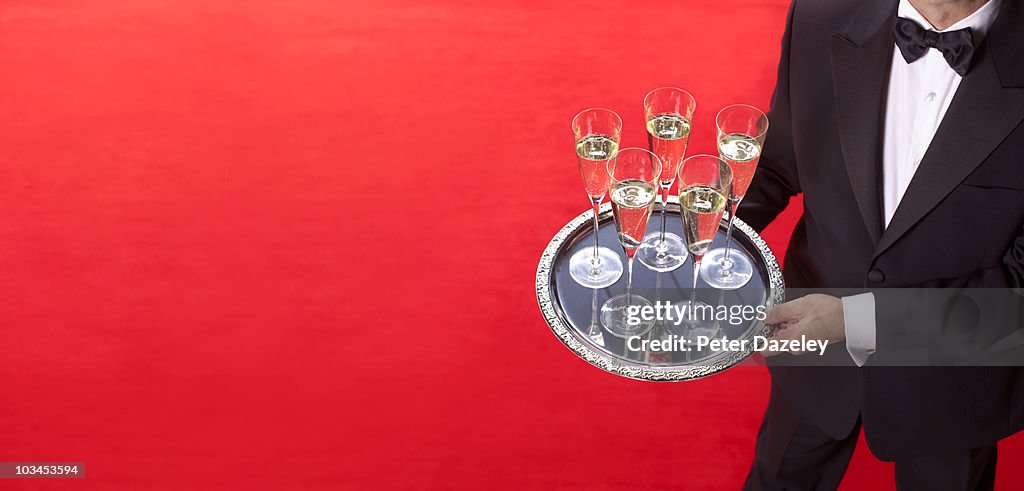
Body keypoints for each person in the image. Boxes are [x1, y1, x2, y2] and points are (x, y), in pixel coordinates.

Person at [738, 0, 1024, 488]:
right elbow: (776, 165)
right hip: (813, 354)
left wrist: (854, 320)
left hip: (951, 380)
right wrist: (690, 244)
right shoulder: (818, 16)